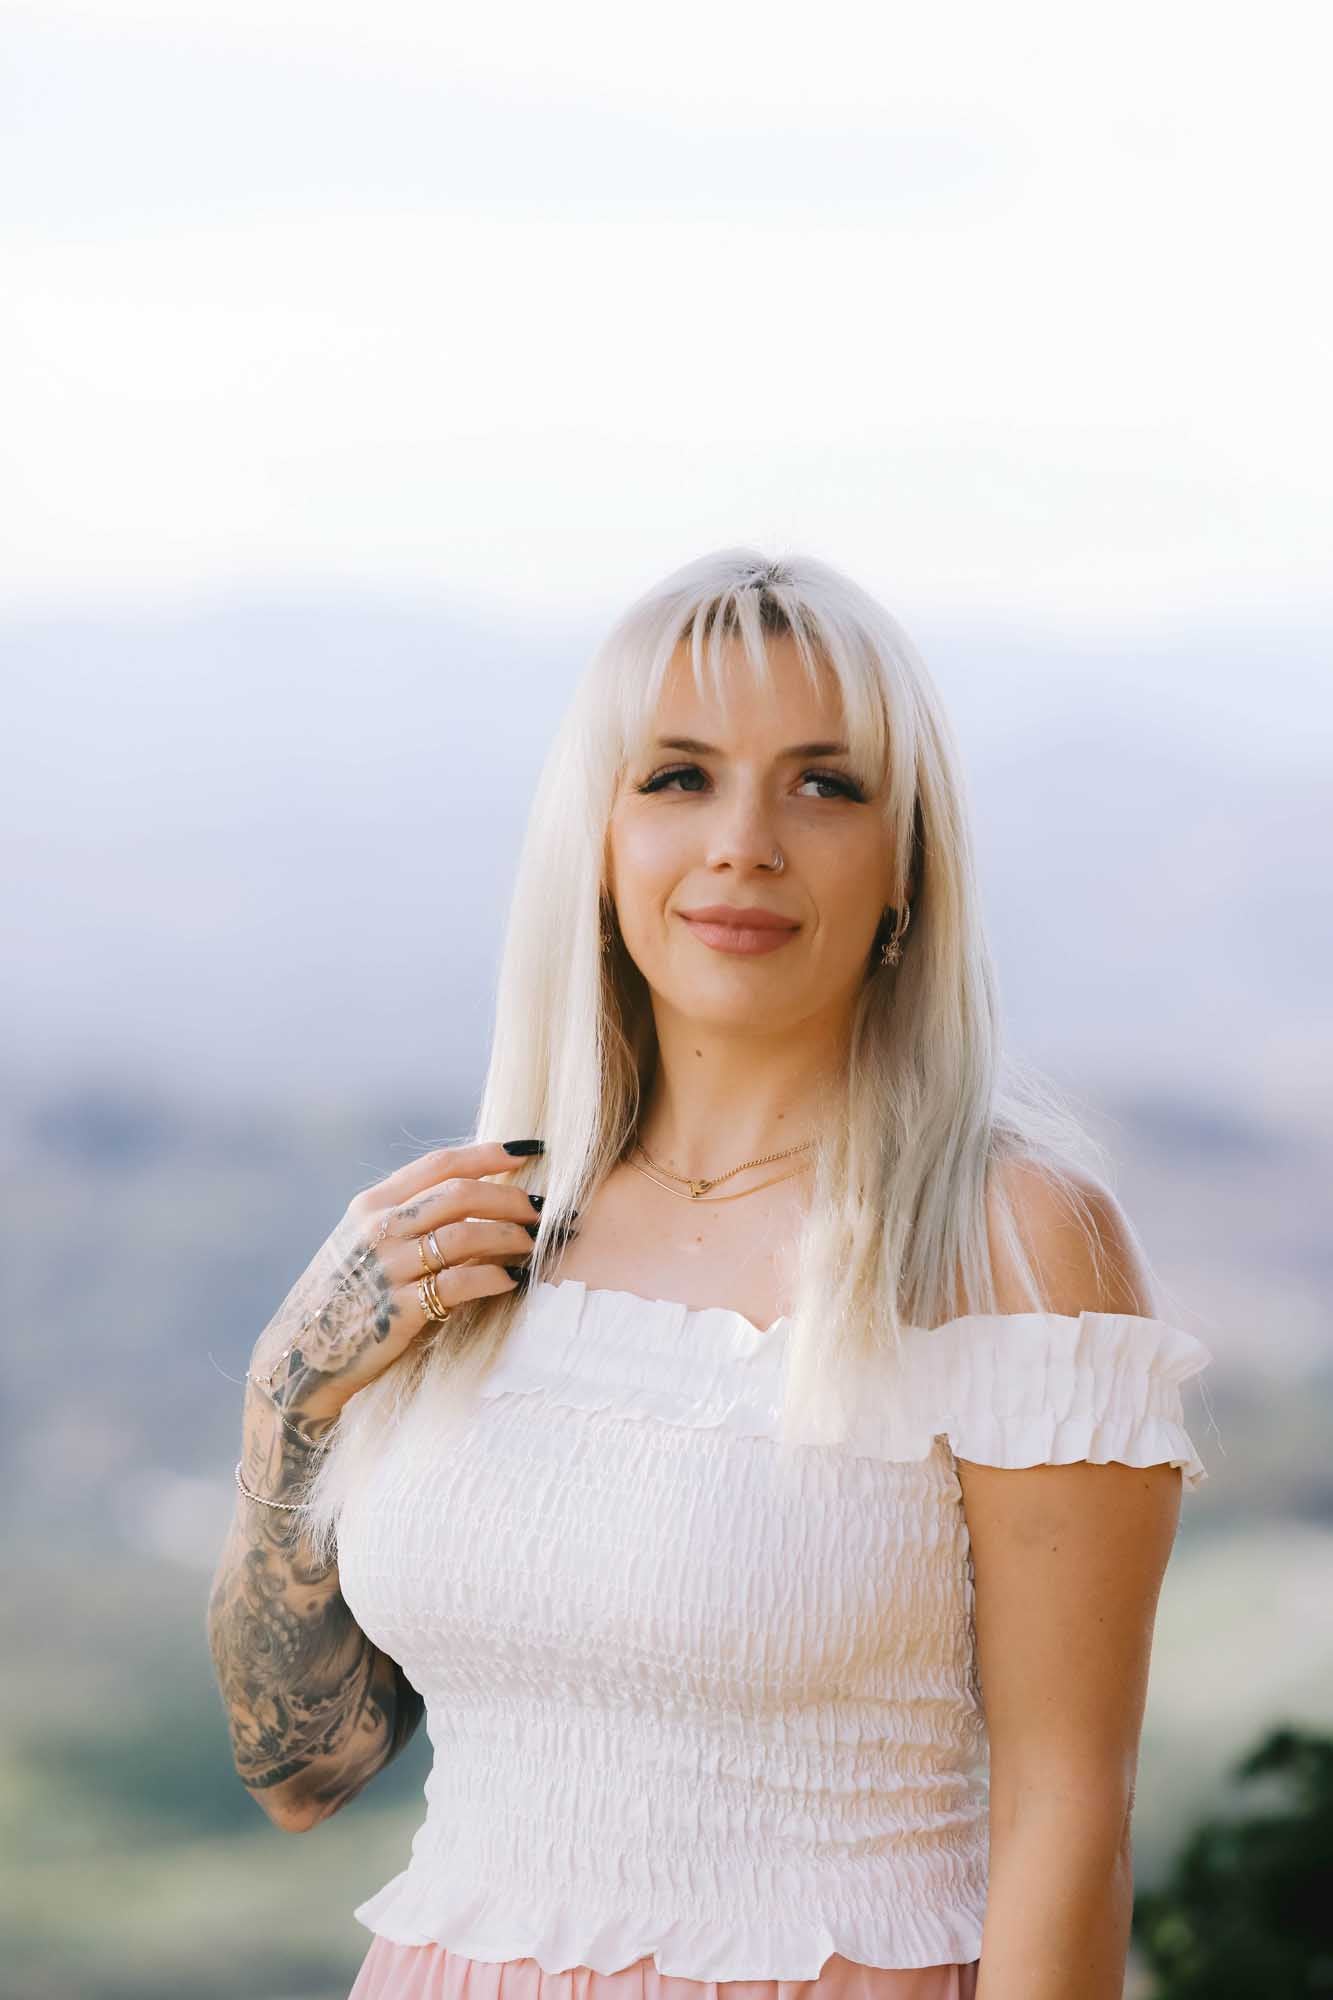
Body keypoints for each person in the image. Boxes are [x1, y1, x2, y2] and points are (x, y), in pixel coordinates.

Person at [206, 548, 1214, 2000]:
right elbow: (304, 1777)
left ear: (907, 863)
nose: (744, 841)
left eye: (825, 785)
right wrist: (289, 1394)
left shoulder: (1011, 1242)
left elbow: (1068, 1818)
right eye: (678, 777)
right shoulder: (479, 1228)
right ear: (598, 839)